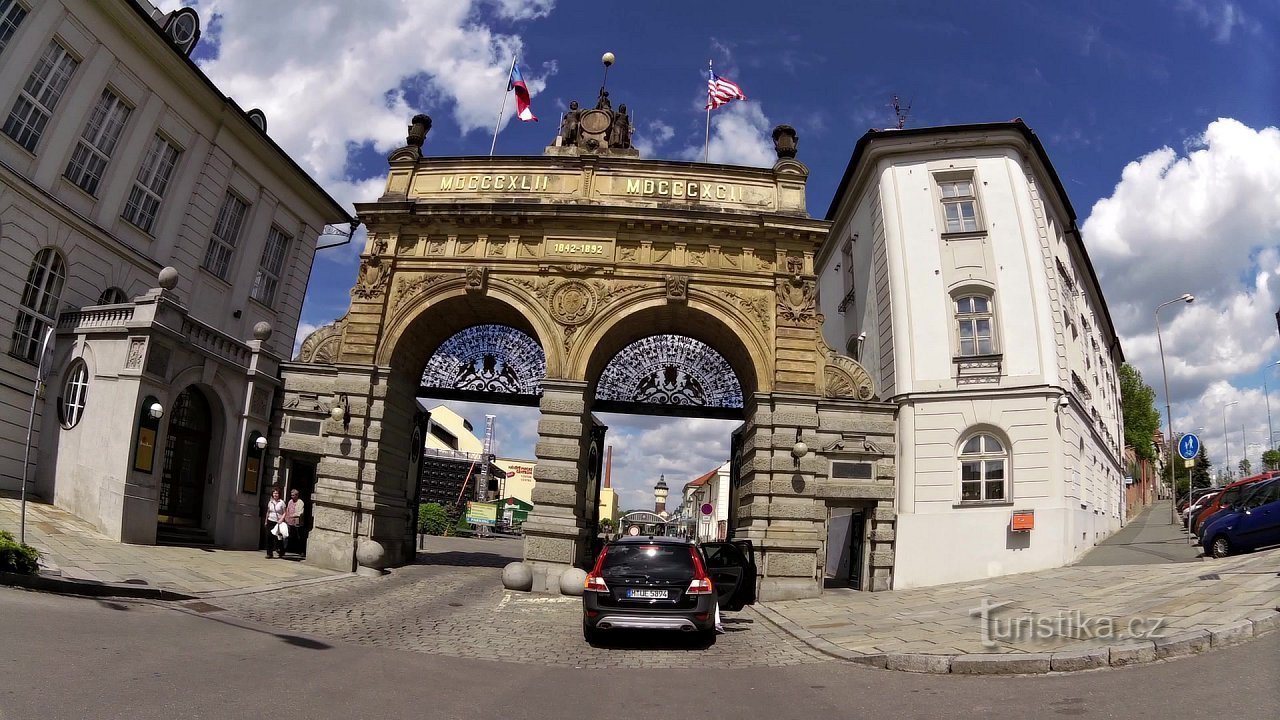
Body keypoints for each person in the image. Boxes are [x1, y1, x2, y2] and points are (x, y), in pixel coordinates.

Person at [265, 488, 286, 559]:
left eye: (277, 493)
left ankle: (281, 550)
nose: (275, 494)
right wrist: (266, 521)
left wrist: (281, 519)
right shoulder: (270, 502)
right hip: (270, 520)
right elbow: (268, 511)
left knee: (278, 538)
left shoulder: (282, 502)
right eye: (274, 493)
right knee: (269, 537)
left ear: (279, 494)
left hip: (278, 522)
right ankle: (269, 553)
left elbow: (285, 512)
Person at [285, 488, 306, 558]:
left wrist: (292, 515)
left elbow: (300, 512)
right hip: (289, 522)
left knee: (299, 537)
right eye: (291, 495)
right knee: (287, 535)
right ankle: (285, 549)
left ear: (297, 495)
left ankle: (301, 551)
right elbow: (287, 509)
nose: (292, 496)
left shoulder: (300, 502)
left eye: (293, 495)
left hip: (297, 523)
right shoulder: (290, 501)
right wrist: (287, 517)